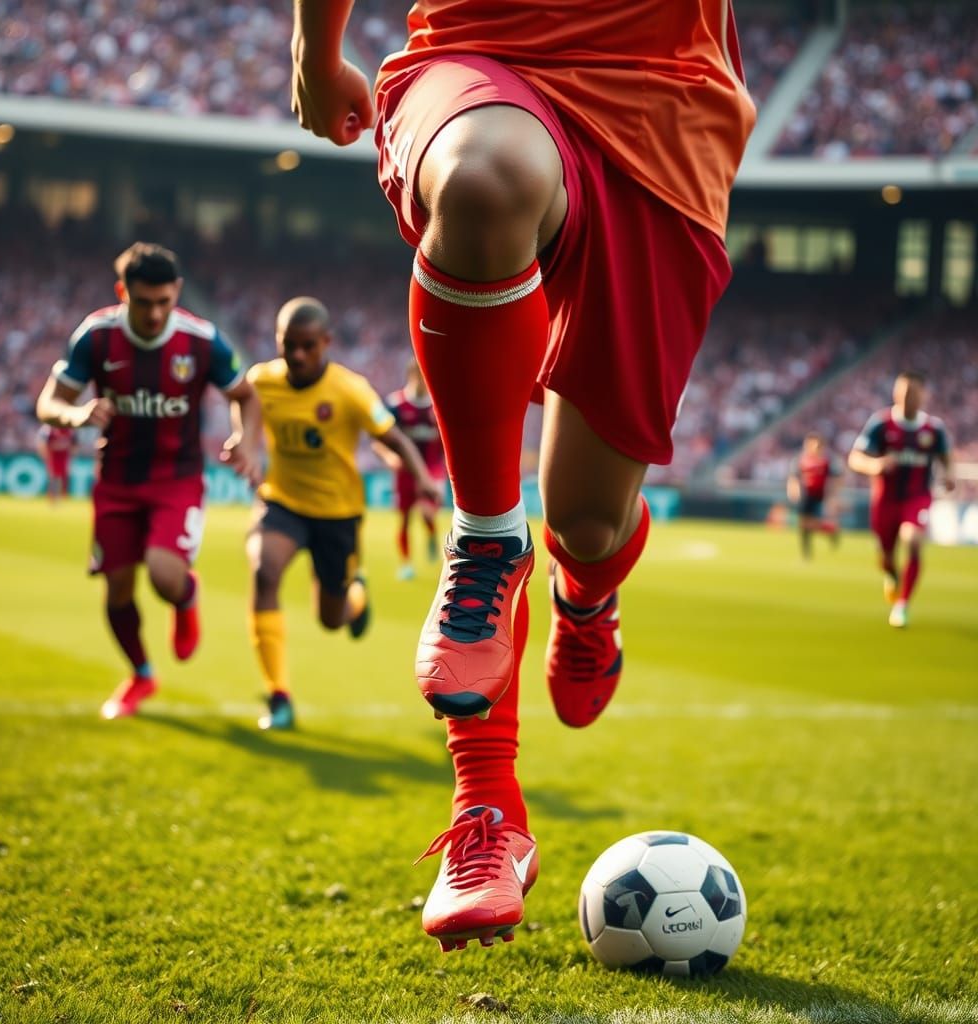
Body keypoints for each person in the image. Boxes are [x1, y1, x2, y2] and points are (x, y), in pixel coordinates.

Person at [291, 0, 756, 950]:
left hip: (662, 102)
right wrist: (314, 44)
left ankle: (584, 597)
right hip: (482, 54)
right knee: (486, 178)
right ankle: (487, 814)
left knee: (586, 520)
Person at [35, 242, 262, 719]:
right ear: (123, 292)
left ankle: (186, 594)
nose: (156, 313)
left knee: (163, 575)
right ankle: (140, 674)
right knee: (116, 590)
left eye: (165, 301)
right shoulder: (96, 337)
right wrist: (75, 415)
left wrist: (246, 441)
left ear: (177, 291)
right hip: (115, 480)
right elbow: (49, 402)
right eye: (144, 302)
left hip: (176, 481)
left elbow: (245, 394)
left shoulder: (201, 341)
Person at [245, 297, 442, 730]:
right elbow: (244, 404)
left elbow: (394, 438)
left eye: (307, 346)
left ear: (326, 342)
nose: (296, 355)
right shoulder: (262, 380)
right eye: (287, 345)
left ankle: (356, 596)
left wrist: (423, 478)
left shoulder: (350, 389)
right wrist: (245, 445)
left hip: (337, 515)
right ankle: (278, 696)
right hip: (282, 502)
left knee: (332, 619)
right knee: (264, 572)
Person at [848, 371, 954, 629]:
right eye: (903, 391)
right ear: (895, 393)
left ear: (923, 395)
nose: (907, 397)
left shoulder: (934, 429)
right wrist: (875, 465)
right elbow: (855, 458)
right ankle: (891, 574)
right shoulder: (881, 423)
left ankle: (902, 605)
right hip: (885, 500)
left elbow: (945, 460)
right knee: (885, 555)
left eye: (913, 392)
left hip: (917, 498)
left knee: (913, 539)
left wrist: (948, 478)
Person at [378, 355, 446, 580]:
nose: (423, 381)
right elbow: (379, 439)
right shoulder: (395, 405)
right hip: (404, 472)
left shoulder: (438, 406)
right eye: (419, 375)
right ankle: (406, 564)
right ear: (411, 375)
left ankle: (432, 535)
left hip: (431, 469)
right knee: (405, 518)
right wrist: (388, 456)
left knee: (427, 512)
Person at [786, 431, 842, 559]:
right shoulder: (801, 459)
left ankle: (830, 531)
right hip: (806, 495)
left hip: (821, 496)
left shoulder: (827, 461)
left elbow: (837, 477)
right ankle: (806, 553)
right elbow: (794, 477)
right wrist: (793, 490)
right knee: (803, 523)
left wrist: (833, 494)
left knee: (813, 523)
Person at [36, 423, 76, 504]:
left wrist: (71, 454)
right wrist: (45, 455)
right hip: (53, 458)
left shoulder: (69, 430)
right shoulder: (48, 429)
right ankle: (52, 499)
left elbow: (74, 444)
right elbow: (43, 444)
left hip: (64, 458)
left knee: (64, 477)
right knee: (53, 477)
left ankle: (63, 498)